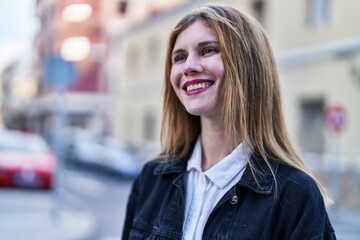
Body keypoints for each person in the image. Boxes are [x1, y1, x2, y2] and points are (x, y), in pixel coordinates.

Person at [122, 3, 336, 240]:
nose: (189, 67)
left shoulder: (295, 195)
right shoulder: (150, 180)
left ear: (248, 65)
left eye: (208, 50)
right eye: (179, 57)